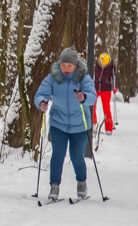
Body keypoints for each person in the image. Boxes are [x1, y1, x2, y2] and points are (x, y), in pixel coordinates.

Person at [34, 47, 97, 201]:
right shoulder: (53, 77)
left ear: (75, 65)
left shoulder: (84, 78)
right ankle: (54, 187)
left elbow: (92, 96)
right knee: (58, 154)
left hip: (80, 125)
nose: (66, 69)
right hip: (58, 123)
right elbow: (41, 94)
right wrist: (42, 102)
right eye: (63, 65)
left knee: (76, 156)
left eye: (69, 65)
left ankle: (81, 183)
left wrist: (84, 97)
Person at [94, 52, 117, 134]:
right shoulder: (96, 65)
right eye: (101, 64)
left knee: (106, 108)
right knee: (91, 105)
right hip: (96, 87)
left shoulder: (111, 67)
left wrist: (115, 87)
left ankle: (109, 128)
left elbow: (115, 77)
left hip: (106, 89)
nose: (102, 66)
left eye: (104, 64)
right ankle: (93, 123)